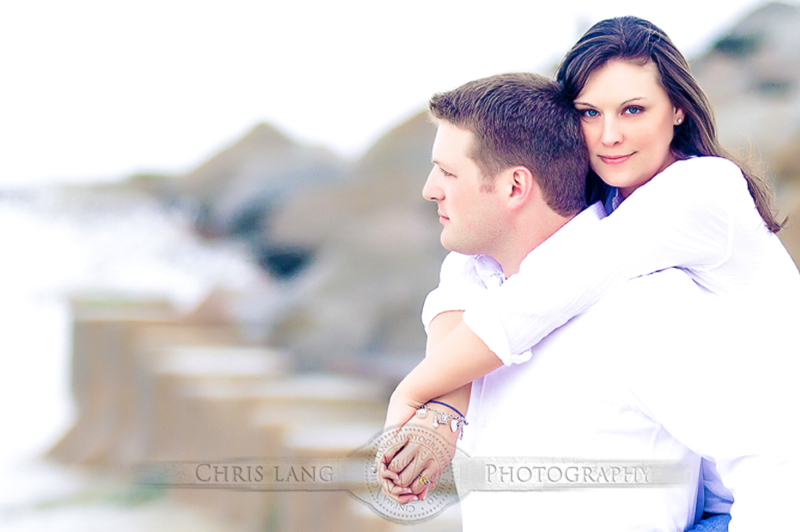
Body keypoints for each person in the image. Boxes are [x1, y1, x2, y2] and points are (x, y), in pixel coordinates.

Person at [378, 16, 799, 531]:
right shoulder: (612, 200)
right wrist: (447, 408)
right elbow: (469, 268)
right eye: (588, 113)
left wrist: (416, 392)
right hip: (712, 485)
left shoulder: (702, 192)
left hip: (758, 479)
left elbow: (544, 295)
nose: (609, 135)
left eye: (633, 110)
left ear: (679, 110)